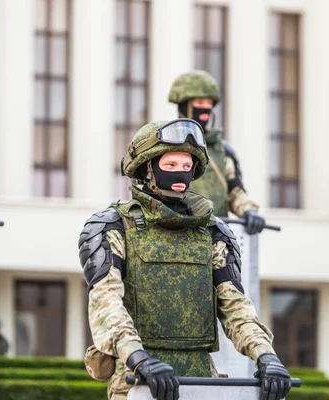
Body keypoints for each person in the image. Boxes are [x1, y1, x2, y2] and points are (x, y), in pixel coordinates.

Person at [80, 118, 291, 400]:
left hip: (201, 378)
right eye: (170, 166)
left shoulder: (213, 232)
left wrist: (266, 356)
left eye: (186, 166)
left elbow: (235, 306)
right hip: (136, 379)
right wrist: (138, 358)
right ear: (147, 168)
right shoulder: (113, 226)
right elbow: (106, 303)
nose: (180, 174)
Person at [168, 70, 265, 234]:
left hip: (216, 234)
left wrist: (249, 211)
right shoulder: (165, 145)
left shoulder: (222, 151)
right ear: (184, 105)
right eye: (199, 103)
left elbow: (234, 191)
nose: (206, 109)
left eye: (209, 104)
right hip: (177, 234)